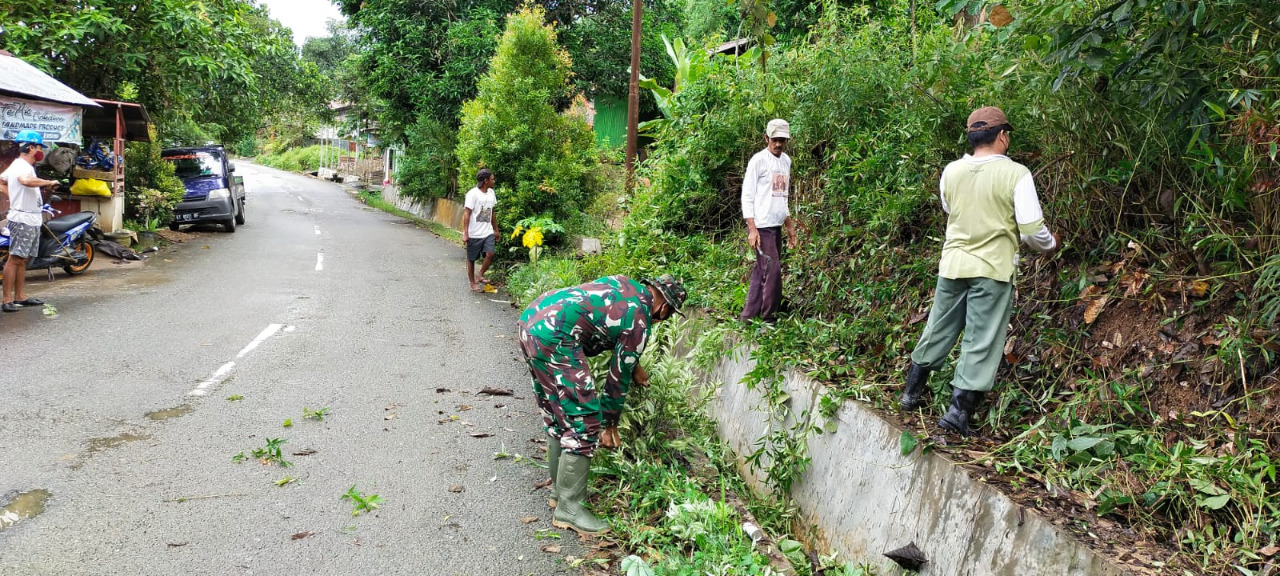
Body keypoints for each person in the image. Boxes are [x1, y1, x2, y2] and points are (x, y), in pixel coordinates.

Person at [899, 107, 1059, 435]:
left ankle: (911, 392)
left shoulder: (952, 171)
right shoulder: (1016, 174)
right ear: (1002, 136)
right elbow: (1031, 230)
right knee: (980, 339)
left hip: (953, 264)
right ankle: (958, 414)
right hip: (993, 269)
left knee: (938, 327)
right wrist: (1051, 244)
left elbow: (949, 207)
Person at [517, 274, 687, 535]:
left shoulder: (624, 284)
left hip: (532, 321)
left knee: (557, 414)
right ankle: (569, 510)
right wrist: (609, 425)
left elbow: (603, 325)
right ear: (664, 308)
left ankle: (558, 494)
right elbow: (617, 380)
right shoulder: (641, 320)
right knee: (585, 423)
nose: (663, 319)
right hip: (557, 337)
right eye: (668, 315)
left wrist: (636, 367)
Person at [741, 118, 798, 324]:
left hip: (776, 226)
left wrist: (789, 226)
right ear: (766, 138)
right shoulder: (758, 161)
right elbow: (747, 195)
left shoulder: (786, 161)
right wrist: (752, 229)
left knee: (762, 271)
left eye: (782, 140)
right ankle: (769, 320)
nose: (778, 144)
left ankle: (748, 317)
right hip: (762, 227)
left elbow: (783, 195)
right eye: (774, 140)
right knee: (772, 272)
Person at [1, 131, 58, 313]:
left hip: (31, 218)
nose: (41, 152)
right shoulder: (22, 167)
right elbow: (25, 181)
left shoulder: (21, 165)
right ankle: (7, 300)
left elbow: (1, 181)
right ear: (31, 147)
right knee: (15, 258)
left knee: (23, 259)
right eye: (40, 147)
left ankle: (20, 296)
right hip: (23, 219)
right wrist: (47, 182)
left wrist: (12, 195)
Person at [463, 168, 498, 292]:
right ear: (485, 180)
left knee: (490, 253)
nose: (494, 181)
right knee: (471, 259)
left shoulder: (491, 193)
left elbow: (493, 212)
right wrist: (466, 233)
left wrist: (496, 230)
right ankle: (472, 283)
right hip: (474, 233)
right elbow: (467, 213)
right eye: (492, 179)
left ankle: (480, 275)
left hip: (487, 231)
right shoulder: (472, 194)